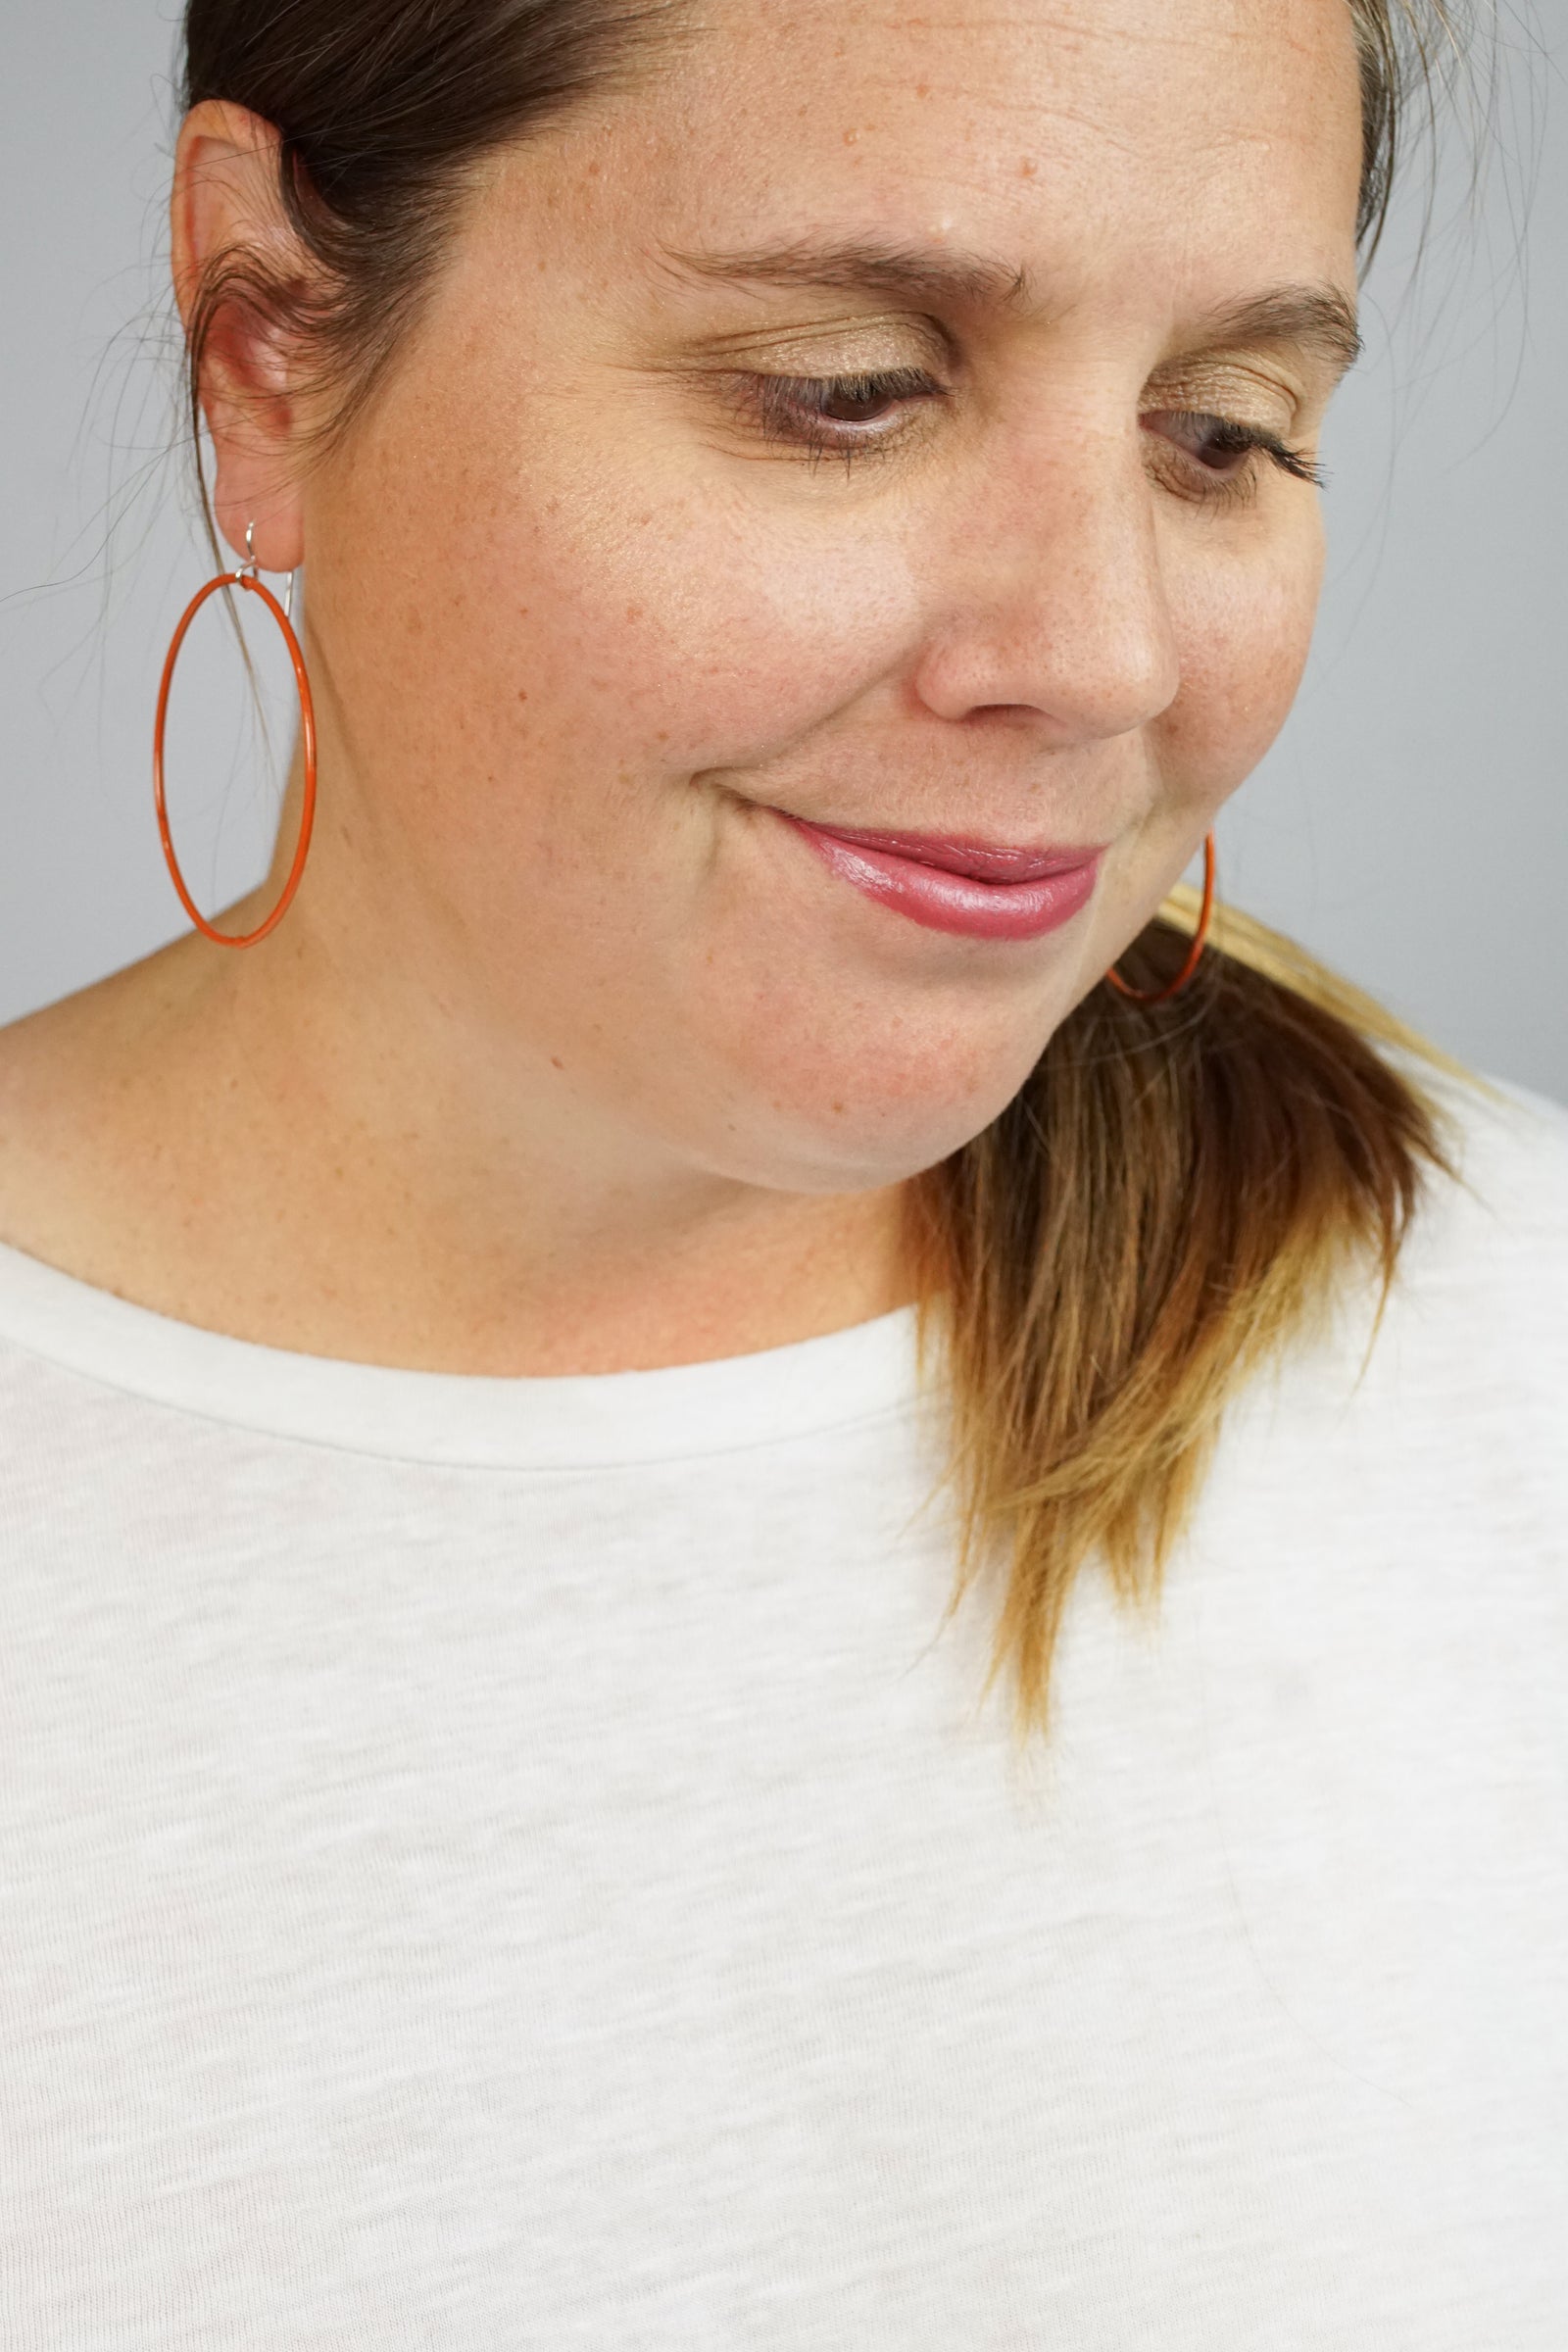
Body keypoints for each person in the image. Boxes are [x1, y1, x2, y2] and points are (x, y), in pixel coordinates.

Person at [1, 0, 1563, 2341]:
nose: (1106, 651)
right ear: (266, 344)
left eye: (1220, 434)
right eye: (848, 386)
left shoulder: (1502, 1358)